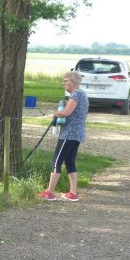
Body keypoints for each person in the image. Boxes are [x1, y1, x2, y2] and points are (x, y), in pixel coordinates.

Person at [38, 72, 89, 202]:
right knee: (70, 161)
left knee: (56, 162)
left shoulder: (76, 95)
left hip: (69, 134)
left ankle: (49, 192)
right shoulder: (83, 94)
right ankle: (73, 193)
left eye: (66, 81)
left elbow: (66, 113)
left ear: (72, 82)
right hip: (77, 134)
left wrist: (54, 113)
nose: (64, 83)